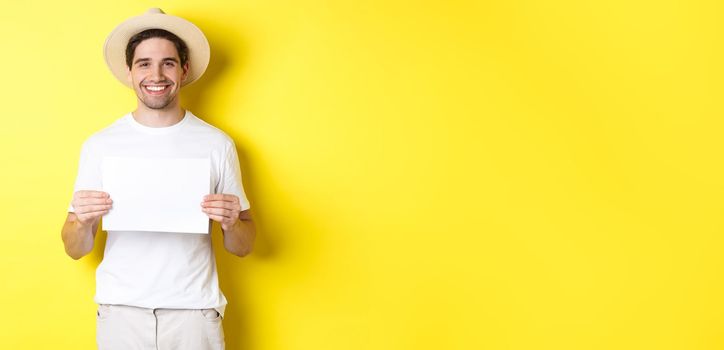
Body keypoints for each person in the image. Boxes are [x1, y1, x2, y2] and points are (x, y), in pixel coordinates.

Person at [60, 8, 255, 350]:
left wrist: (232, 223)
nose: (156, 74)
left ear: (184, 69)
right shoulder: (100, 145)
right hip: (121, 315)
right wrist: (82, 222)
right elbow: (75, 248)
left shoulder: (216, 143)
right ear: (130, 72)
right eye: (144, 63)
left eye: (167, 62)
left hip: (194, 315)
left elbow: (244, 246)